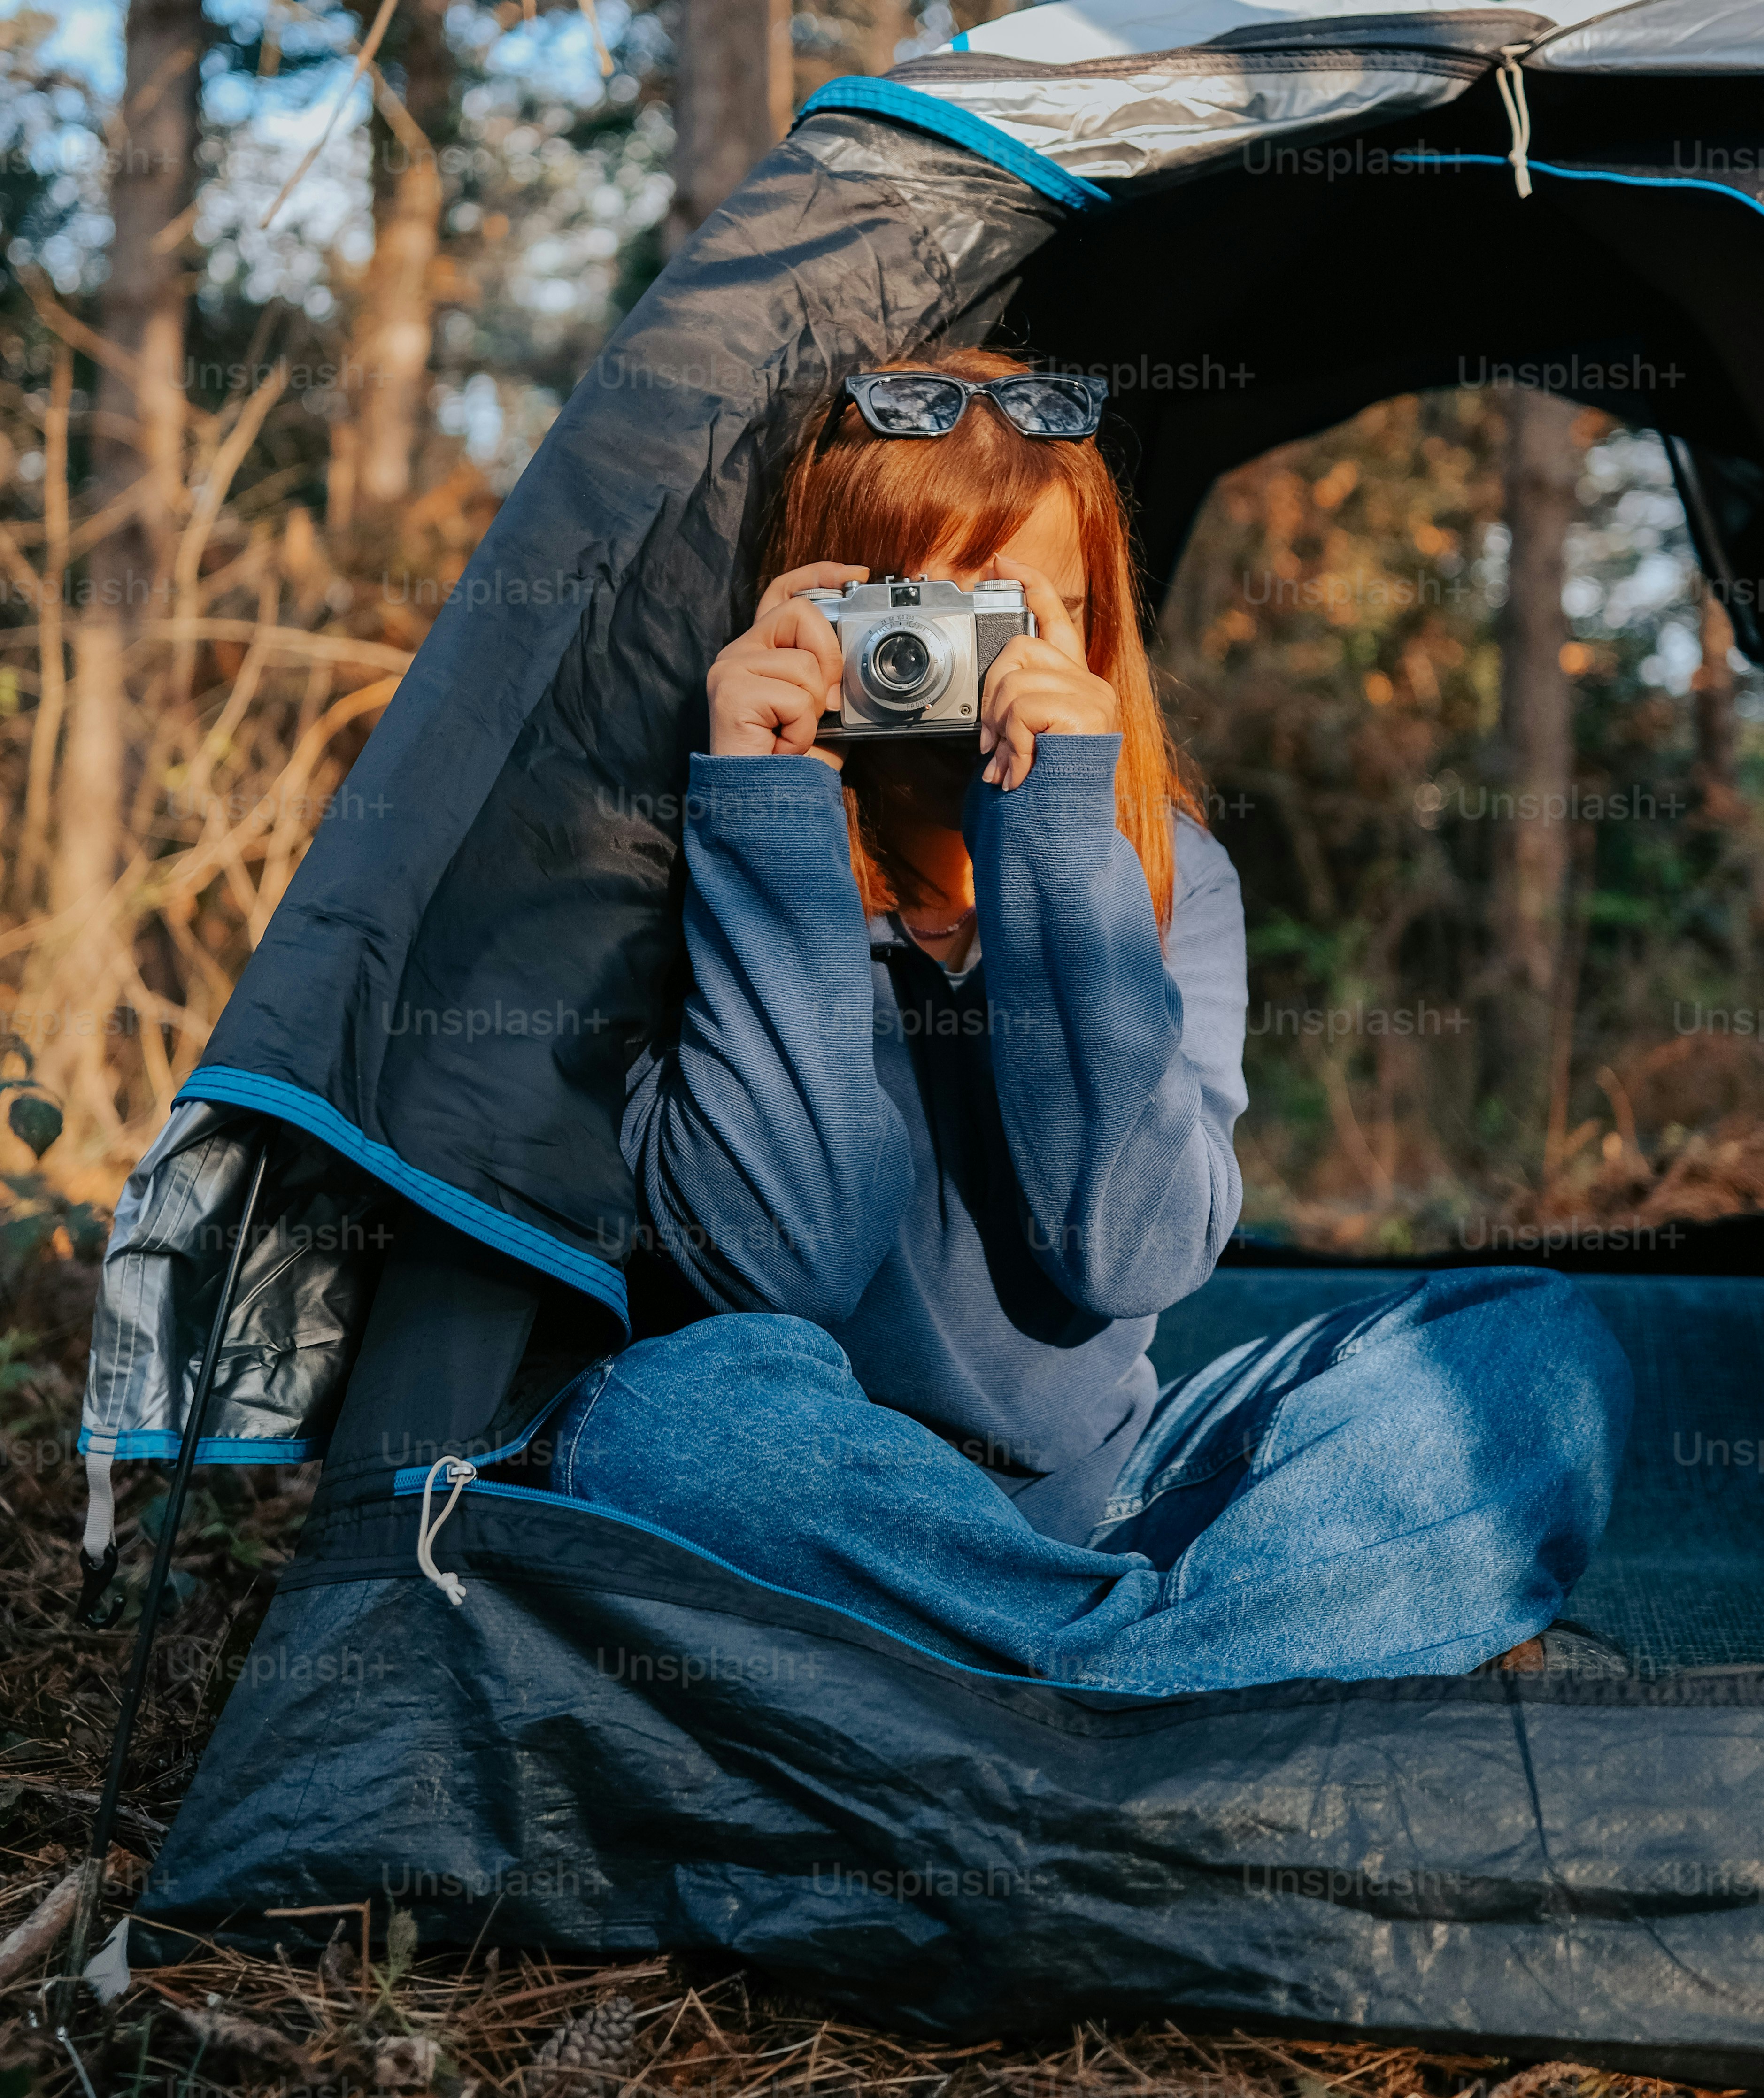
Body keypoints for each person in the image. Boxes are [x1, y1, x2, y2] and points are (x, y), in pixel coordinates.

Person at [546, 347, 1631, 1692]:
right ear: (816, 608)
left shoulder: (1169, 870)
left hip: (1119, 1498)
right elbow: (783, 1268)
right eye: (917, 615)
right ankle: (1185, 1659)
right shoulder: (707, 844)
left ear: (1093, 629)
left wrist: (1056, 833)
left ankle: (1031, 1666)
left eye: (1020, 617)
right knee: (662, 1421)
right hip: (833, 1492)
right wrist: (771, 816)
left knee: (1536, 1353)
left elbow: (1129, 1254)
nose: (954, 668)